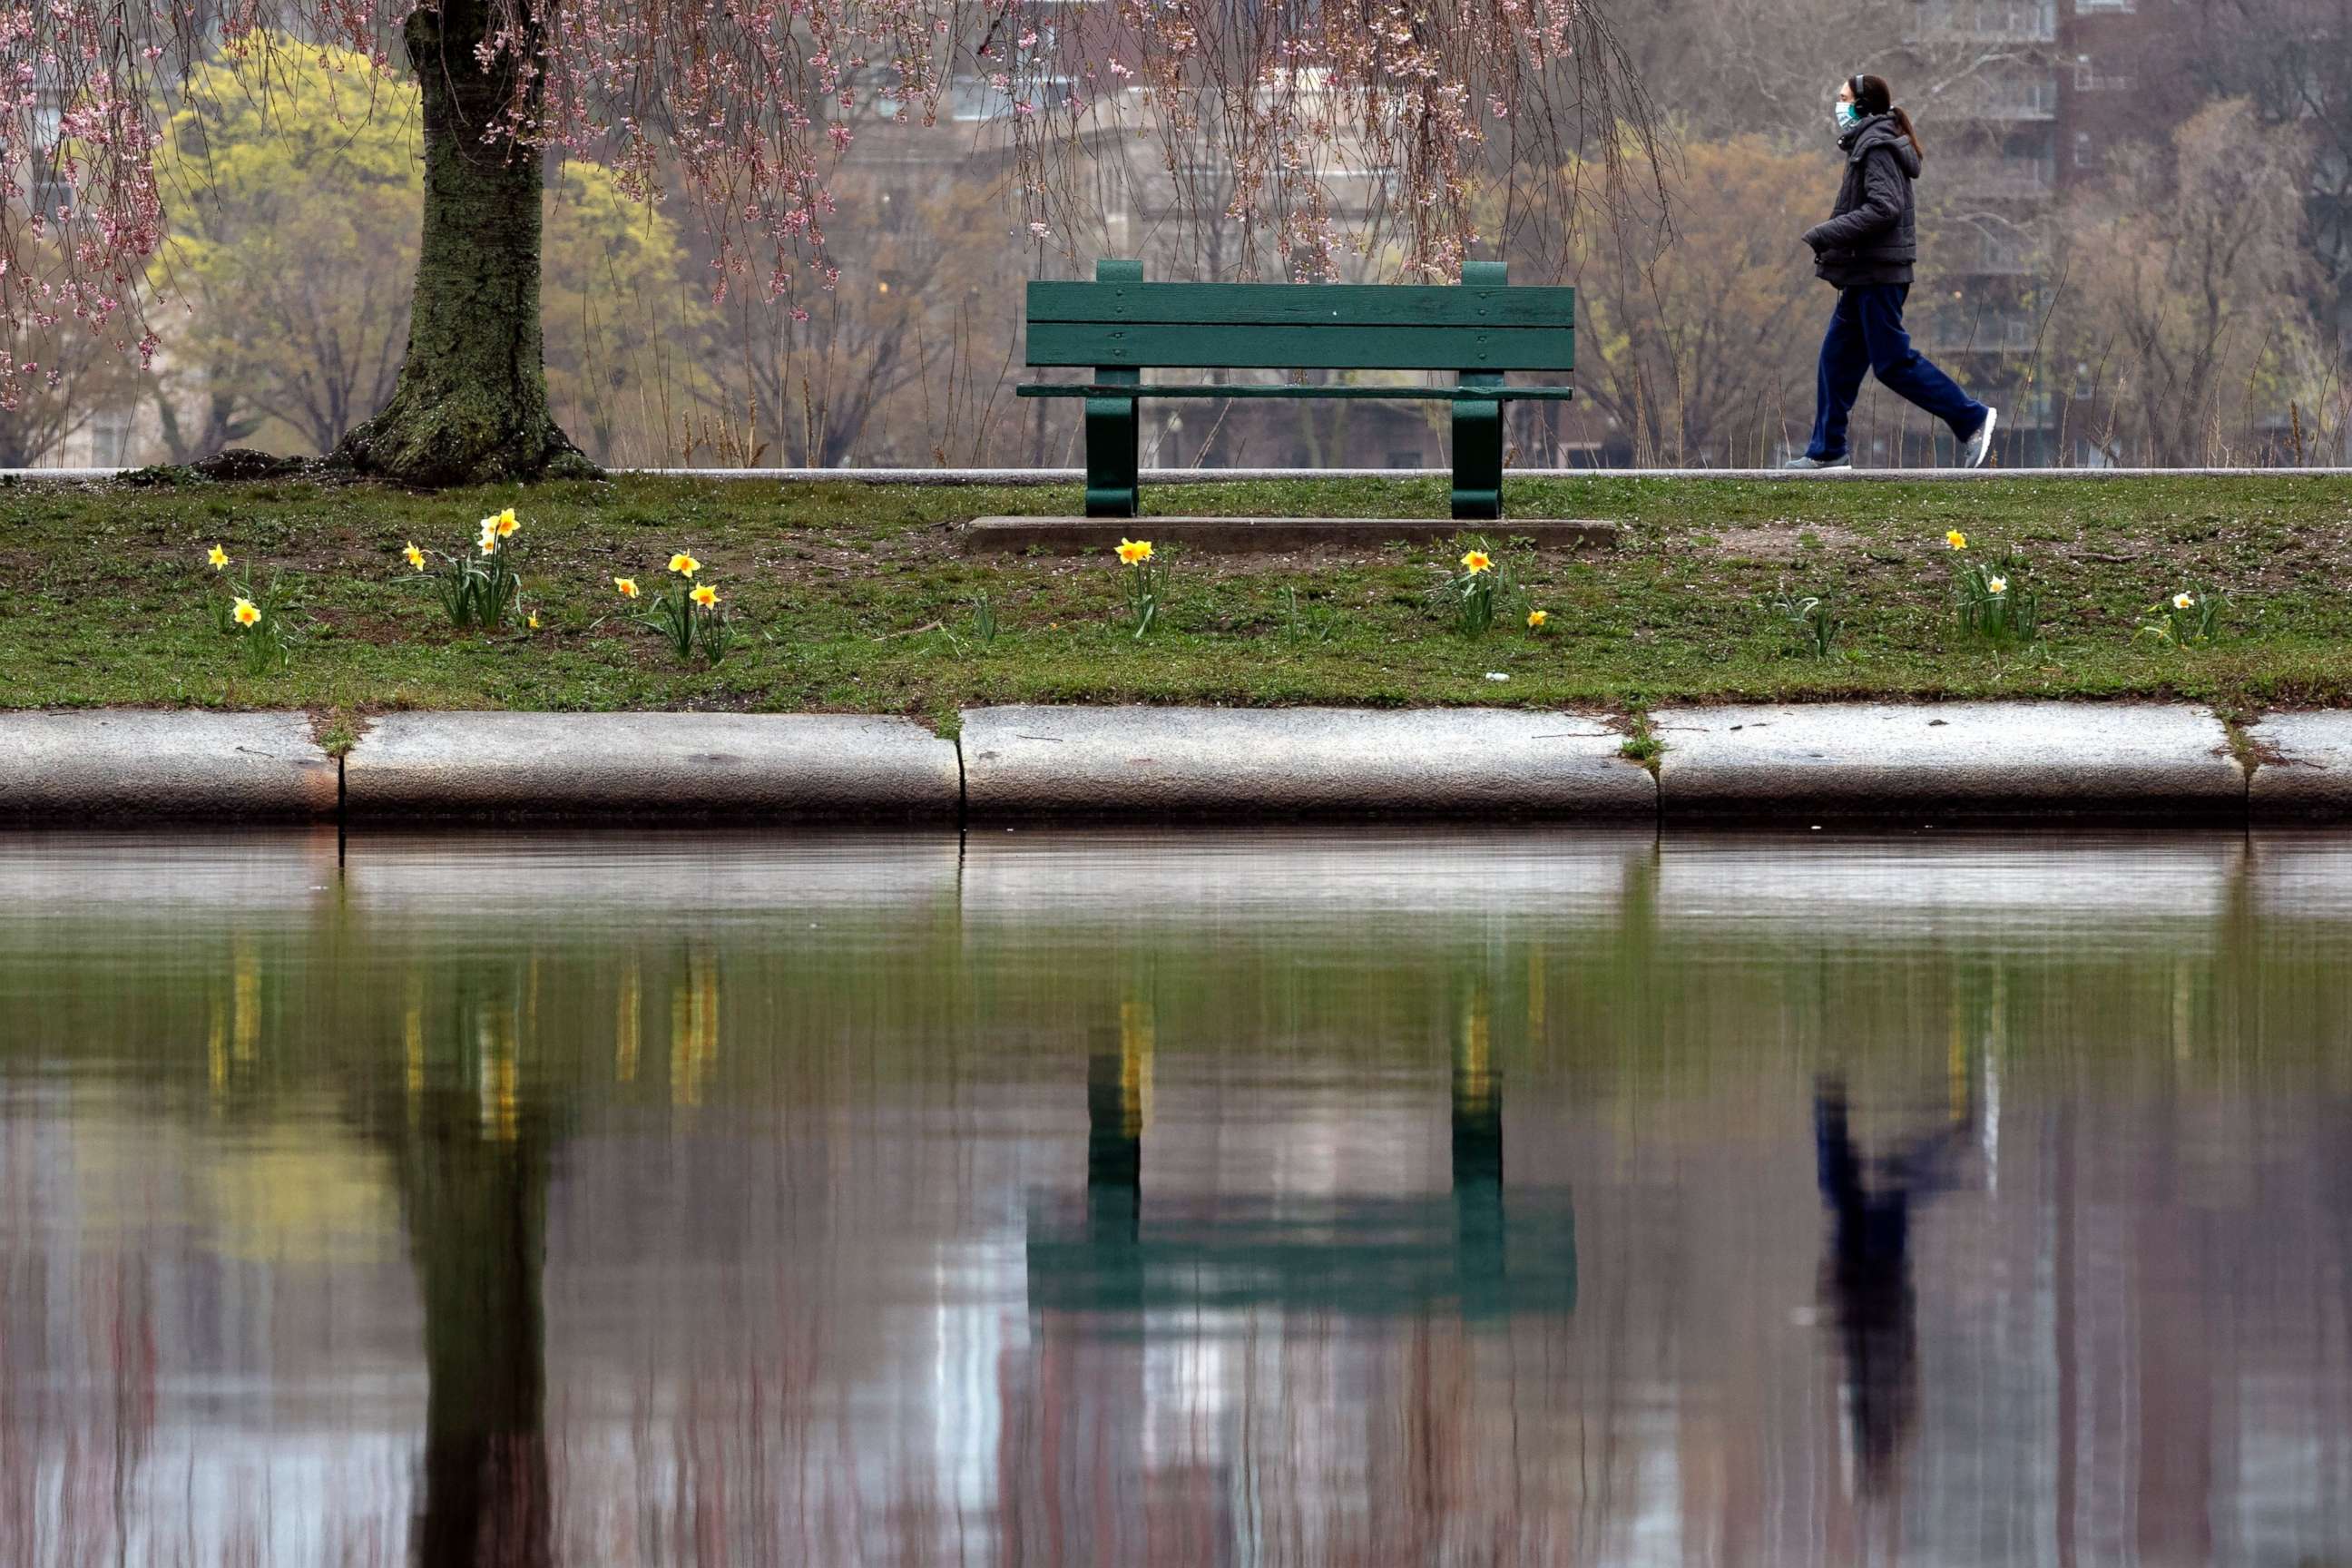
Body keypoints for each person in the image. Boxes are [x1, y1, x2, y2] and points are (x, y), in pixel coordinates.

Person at [1787, 74, 1998, 471]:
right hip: (1863, 273)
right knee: (1836, 359)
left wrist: (1825, 234)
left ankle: (1971, 418)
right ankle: (1828, 449)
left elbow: (1885, 209)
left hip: (1880, 274)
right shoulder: (1869, 143)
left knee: (1892, 363)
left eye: (1844, 98)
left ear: (1863, 106)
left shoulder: (1877, 146)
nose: (1838, 104)